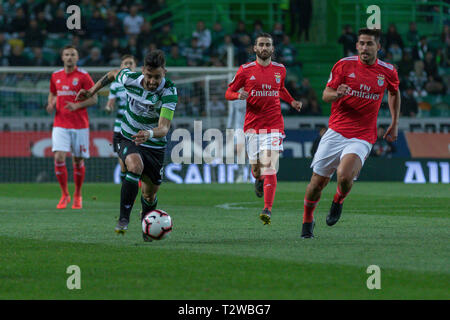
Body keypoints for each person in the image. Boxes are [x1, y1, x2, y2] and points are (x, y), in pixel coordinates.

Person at [300, 28, 401, 238]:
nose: (365, 47)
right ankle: (307, 220)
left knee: (345, 176)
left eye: (370, 44)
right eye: (362, 43)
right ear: (357, 46)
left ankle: (338, 201)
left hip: (362, 135)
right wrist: (337, 93)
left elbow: (394, 92)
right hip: (336, 131)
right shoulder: (344, 65)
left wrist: (394, 122)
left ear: (378, 47)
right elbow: (325, 94)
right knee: (316, 183)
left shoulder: (387, 71)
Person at [75, 50, 177, 242]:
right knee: (135, 166)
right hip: (128, 136)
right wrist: (91, 91)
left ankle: (147, 224)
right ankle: (123, 218)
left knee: (149, 195)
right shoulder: (130, 78)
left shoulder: (169, 91)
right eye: (149, 76)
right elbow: (113, 73)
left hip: (154, 144)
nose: (153, 81)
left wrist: (148, 133)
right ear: (142, 71)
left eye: (157, 77)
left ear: (164, 72)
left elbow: (164, 128)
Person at [225, 32, 302, 225]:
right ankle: (258, 180)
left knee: (270, 167)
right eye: (261, 44)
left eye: (268, 45)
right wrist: (238, 96)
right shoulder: (245, 70)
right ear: (255, 48)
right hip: (252, 127)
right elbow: (228, 92)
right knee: (257, 170)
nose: (265, 48)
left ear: (273, 49)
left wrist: (291, 101)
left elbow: (280, 89)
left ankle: (267, 208)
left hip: (274, 124)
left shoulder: (280, 69)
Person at [46, 45, 97, 210]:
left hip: (80, 125)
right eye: (66, 54)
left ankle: (77, 194)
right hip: (60, 123)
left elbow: (94, 99)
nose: (69, 57)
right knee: (59, 157)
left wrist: (77, 106)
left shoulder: (83, 76)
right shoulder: (55, 76)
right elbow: (53, 92)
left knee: (77, 160)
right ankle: (64, 194)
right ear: (62, 57)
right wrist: (51, 103)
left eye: (72, 54)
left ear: (77, 58)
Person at [104, 55, 137, 182]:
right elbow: (110, 103)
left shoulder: (141, 82)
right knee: (123, 161)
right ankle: (124, 179)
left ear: (135, 66)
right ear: (121, 67)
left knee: (138, 158)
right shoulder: (116, 85)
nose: (128, 65)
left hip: (136, 126)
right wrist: (108, 108)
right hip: (120, 126)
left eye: (131, 63)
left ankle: (135, 181)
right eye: (125, 63)